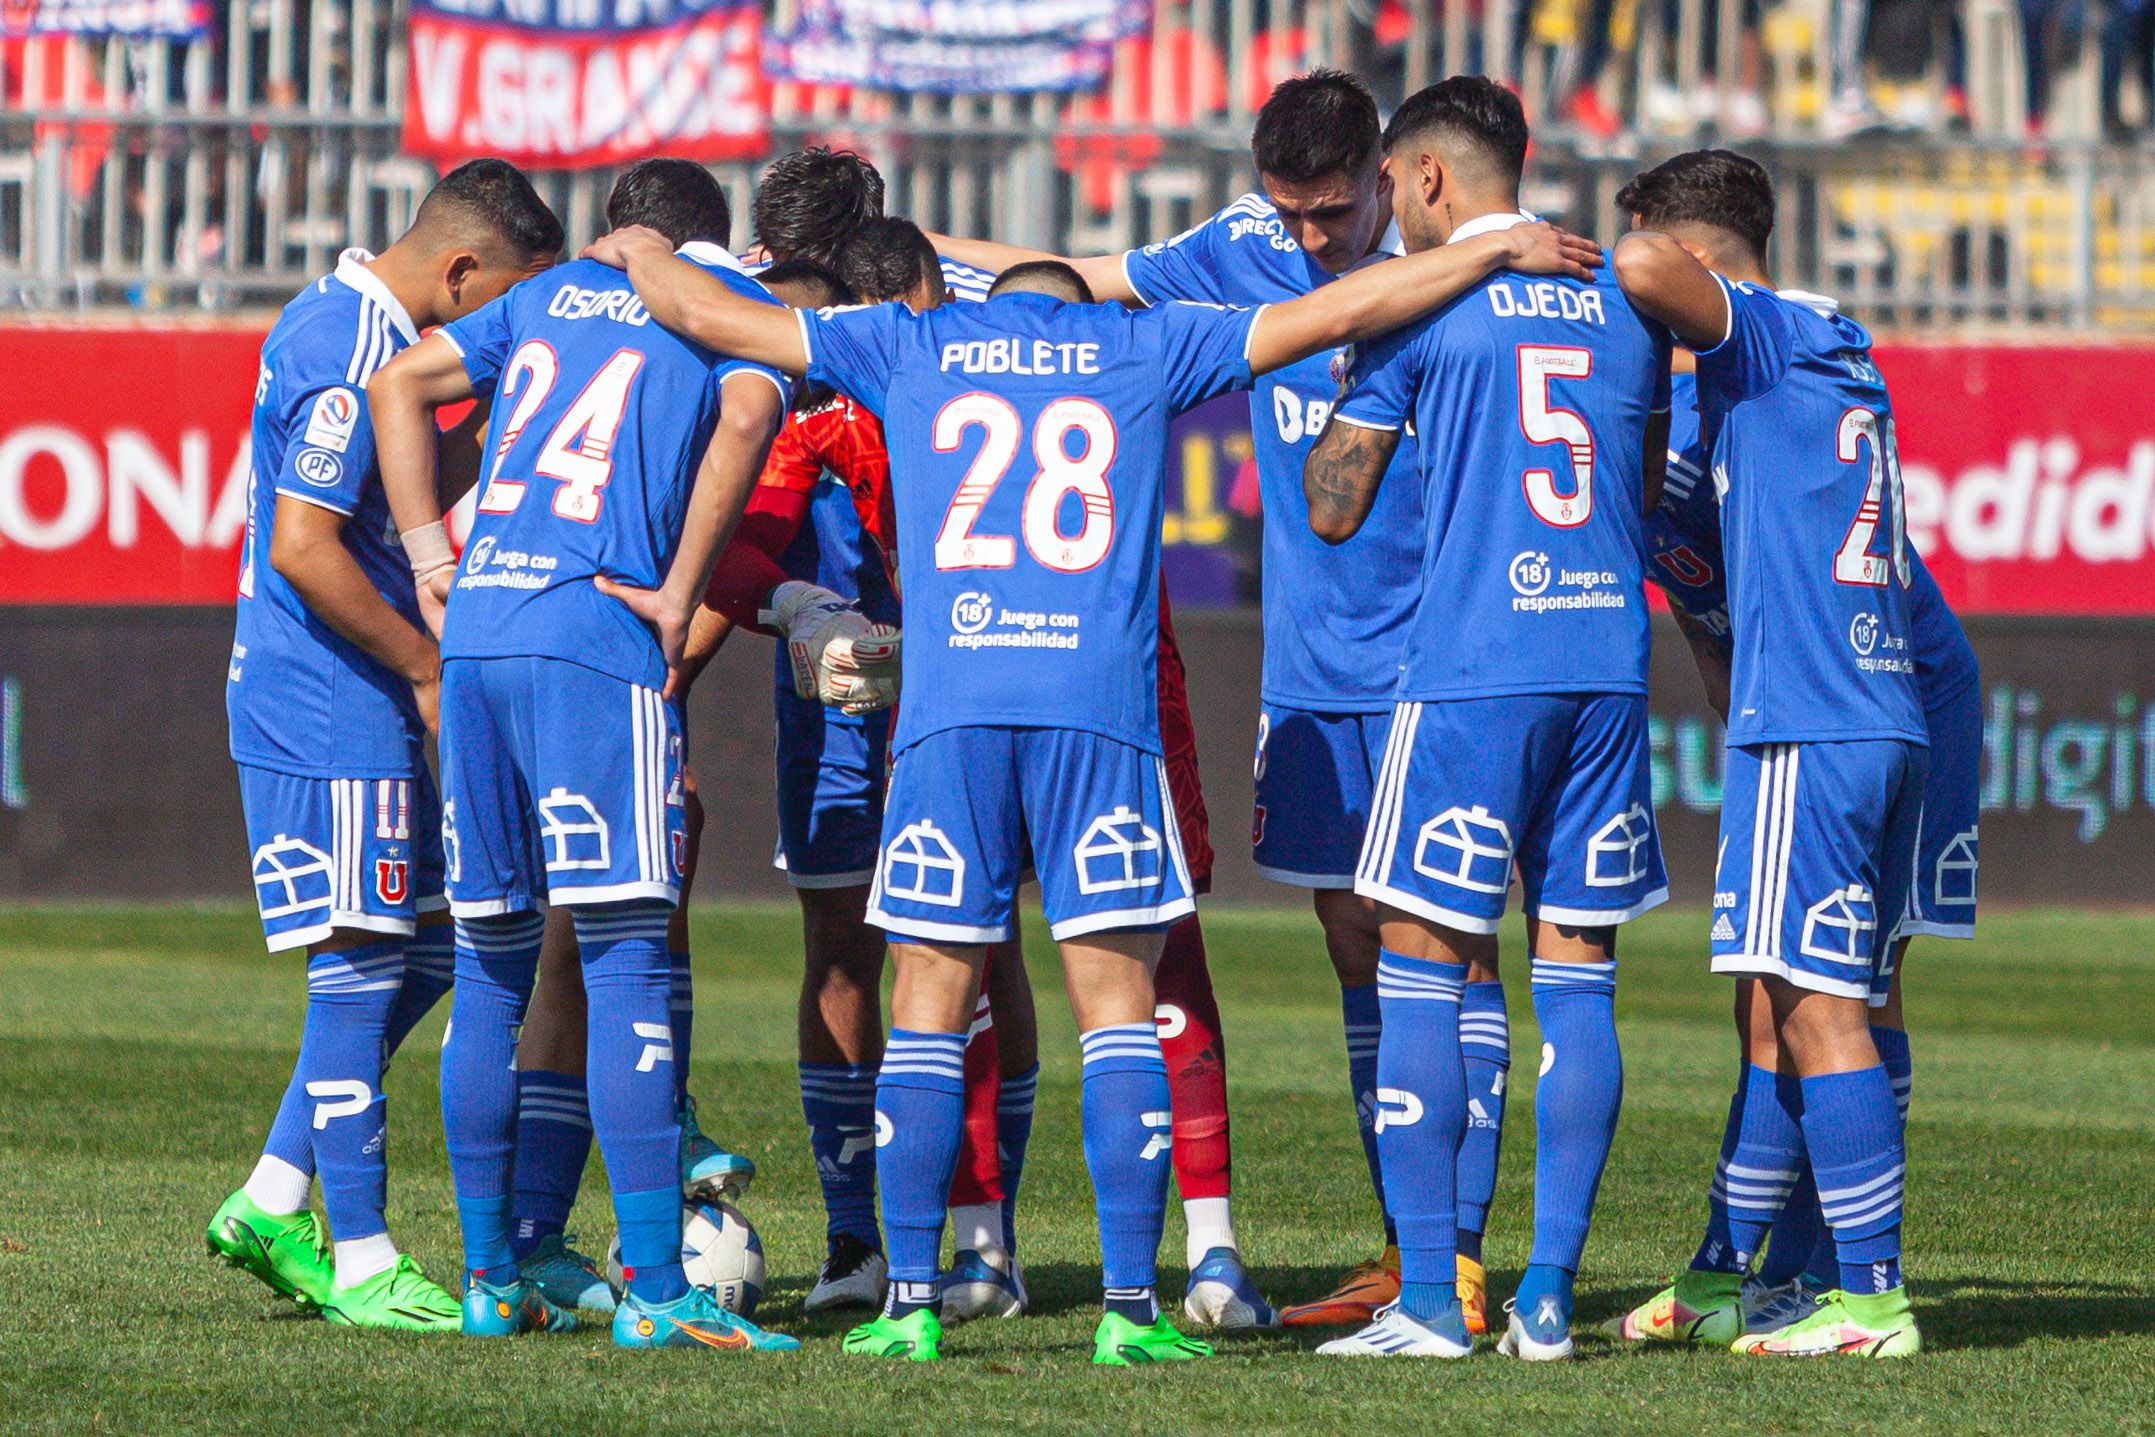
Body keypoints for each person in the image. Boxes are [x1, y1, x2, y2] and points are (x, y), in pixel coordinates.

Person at [582, 197, 1601, 1364]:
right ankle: (1129, 1312)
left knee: (925, 1003)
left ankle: (909, 1304)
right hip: (1099, 724)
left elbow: (704, 310)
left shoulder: (912, 343)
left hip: (952, 716)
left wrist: (644, 249)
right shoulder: (1142, 343)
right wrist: (1490, 248)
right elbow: (1343, 305)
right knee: (1116, 1011)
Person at [933, 69, 1472, 1333]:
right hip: (1313, 668)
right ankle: (1407, 1250)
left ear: (1392, 178)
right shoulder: (1238, 249)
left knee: (1443, 946)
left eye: (1331, 214)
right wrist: (897, 246)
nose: (1306, 240)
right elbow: (1075, 280)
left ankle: (1457, 1254)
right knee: (1352, 940)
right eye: (1288, 214)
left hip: (1439, 660)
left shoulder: (1463, 264)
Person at [712, 219, 1279, 1330]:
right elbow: (747, 539)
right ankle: (977, 1253)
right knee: (955, 961)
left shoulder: (937, 354)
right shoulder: (836, 398)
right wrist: (805, 605)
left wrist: (641, 258)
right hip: (946, 685)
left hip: (1093, 670)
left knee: (1147, 954)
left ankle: (1206, 1250)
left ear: (936, 291)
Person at [365, 158, 799, 1353]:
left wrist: (427, 561)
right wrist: (681, 588)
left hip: (485, 634)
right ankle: (657, 1291)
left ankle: (492, 1278)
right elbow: (755, 414)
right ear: (717, 238)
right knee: (621, 964)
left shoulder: (544, 297)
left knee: (495, 967)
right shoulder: (715, 299)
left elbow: (400, 383)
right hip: (591, 638)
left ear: (617, 228)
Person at [1301, 75, 1673, 1361]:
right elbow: (1634, 474)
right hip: (1608, 670)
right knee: (1579, 970)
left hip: (1472, 669)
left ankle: (1424, 1304)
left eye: (1393, 186)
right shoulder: (1624, 304)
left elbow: (1332, 505)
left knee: (1422, 947)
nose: (1388, 210)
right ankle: (1550, 1296)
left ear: (1430, 180)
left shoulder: (1425, 309)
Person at [209, 158, 561, 1332]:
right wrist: (421, 663)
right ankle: (359, 1254)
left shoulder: (353, 323)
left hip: (335, 690)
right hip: (329, 699)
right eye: (503, 301)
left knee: (443, 948)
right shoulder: (355, 352)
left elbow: (366, 490)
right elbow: (307, 545)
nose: (502, 326)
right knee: (360, 963)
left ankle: (272, 1192)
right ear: (461, 269)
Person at [1609, 148, 1929, 1358]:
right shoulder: (1831, 346)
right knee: (1786, 1001)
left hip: (1813, 721)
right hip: (1865, 709)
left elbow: (1645, 263)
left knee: (1814, 1010)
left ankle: (1867, 1302)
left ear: (1699, 265)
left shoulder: (1758, 331)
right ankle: (1736, 1278)